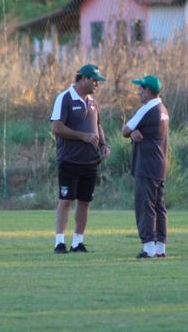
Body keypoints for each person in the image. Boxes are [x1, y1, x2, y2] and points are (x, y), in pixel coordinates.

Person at [50, 64, 111, 254]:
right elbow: (57, 127)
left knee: (85, 202)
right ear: (83, 79)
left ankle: (78, 242)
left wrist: (103, 144)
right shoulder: (65, 98)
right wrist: (82, 136)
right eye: (94, 81)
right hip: (70, 160)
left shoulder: (92, 101)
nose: (97, 85)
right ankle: (60, 242)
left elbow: (98, 125)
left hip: (90, 161)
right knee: (66, 200)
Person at [122, 74, 169, 258]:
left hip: (147, 165)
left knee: (145, 205)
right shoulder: (163, 109)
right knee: (159, 206)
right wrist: (135, 133)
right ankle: (160, 247)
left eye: (141, 89)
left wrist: (132, 131)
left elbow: (124, 130)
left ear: (149, 91)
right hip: (160, 163)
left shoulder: (147, 108)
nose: (138, 92)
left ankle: (148, 247)